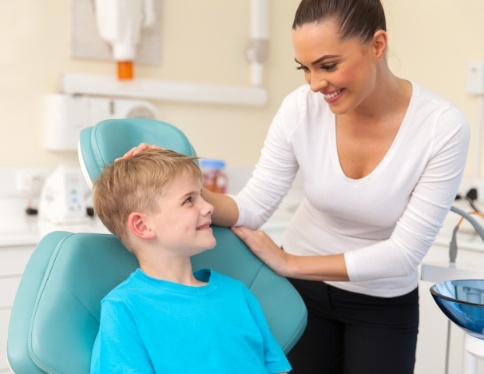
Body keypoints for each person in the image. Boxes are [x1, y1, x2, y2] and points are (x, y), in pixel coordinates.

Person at [121, 0, 470, 372]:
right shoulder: (300, 109)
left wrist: (290, 262)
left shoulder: (441, 128)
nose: (316, 84)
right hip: (301, 298)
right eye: (305, 68)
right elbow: (253, 206)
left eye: (328, 65)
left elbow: (403, 254)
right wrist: (180, 183)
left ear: (377, 45)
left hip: (379, 301)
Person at [90, 148, 291, 374]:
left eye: (202, 196)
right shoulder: (123, 308)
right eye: (188, 200)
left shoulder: (237, 293)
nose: (209, 207)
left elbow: (276, 369)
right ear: (142, 226)